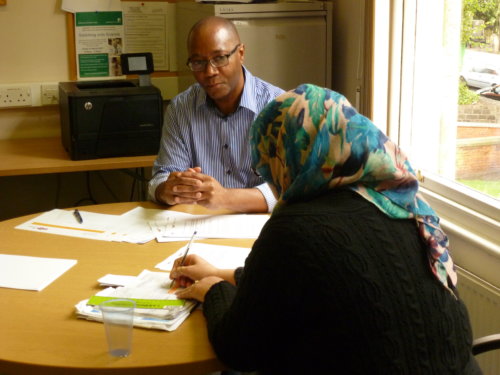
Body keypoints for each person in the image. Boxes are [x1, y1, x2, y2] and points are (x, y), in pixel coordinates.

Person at [170, 84, 482, 374]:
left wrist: (213, 290)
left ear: (288, 156)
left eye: (268, 163)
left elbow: (238, 350)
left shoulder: (295, 228)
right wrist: (224, 274)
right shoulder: (403, 204)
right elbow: (316, 281)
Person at [149, 16, 284, 213]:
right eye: (198, 62)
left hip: (263, 229)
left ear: (241, 53)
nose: (210, 71)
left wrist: (227, 198)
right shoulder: (181, 108)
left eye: (219, 58)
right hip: (197, 229)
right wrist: (167, 189)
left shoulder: (278, 106)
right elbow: (162, 176)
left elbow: (291, 188)